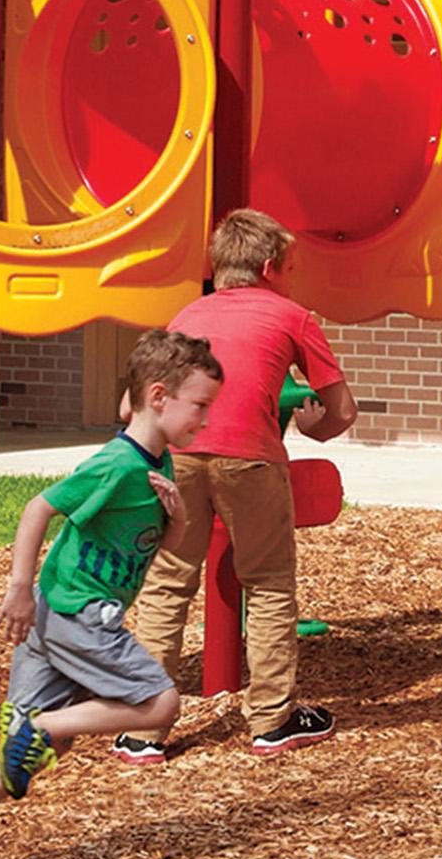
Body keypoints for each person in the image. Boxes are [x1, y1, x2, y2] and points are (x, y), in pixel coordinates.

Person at [0, 328, 223, 859]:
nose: (206, 419)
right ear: (157, 397)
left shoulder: (158, 462)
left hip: (62, 614)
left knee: (32, 748)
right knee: (160, 706)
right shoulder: (117, 465)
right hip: (79, 611)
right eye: (200, 405)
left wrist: (180, 518)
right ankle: (44, 724)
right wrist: (18, 588)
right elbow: (37, 509)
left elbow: (162, 550)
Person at [117, 209, 357, 761]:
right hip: (250, 461)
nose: (292, 279)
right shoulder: (294, 316)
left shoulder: (187, 314)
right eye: (291, 268)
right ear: (270, 266)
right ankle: (273, 720)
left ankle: (143, 729)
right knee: (268, 582)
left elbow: (130, 405)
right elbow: (341, 410)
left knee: (167, 583)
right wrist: (314, 425)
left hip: (176, 458)